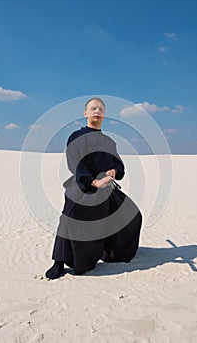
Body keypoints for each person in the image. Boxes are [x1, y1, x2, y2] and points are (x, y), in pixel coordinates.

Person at [45, 97, 142, 279]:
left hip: (106, 190)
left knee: (132, 215)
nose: (97, 111)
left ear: (104, 115)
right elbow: (75, 163)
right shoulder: (76, 137)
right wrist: (93, 182)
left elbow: (118, 164)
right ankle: (58, 262)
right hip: (83, 186)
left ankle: (112, 252)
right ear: (86, 114)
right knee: (68, 219)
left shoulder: (109, 142)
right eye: (93, 108)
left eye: (100, 109)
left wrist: (115, 170)